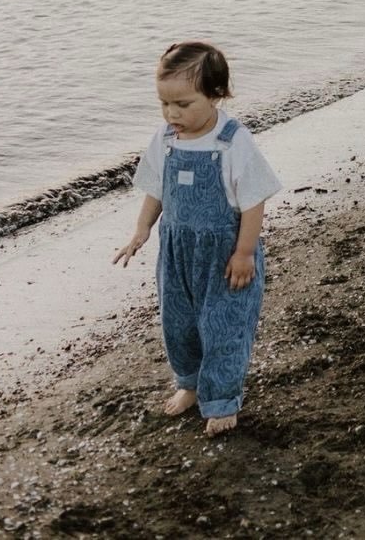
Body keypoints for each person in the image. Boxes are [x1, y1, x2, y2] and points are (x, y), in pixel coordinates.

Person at [113, 41, 282, 435]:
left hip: (225, 252)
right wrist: (142, 230)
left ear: (216, 94)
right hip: (176, 251)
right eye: (164, 104)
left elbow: (253, 201)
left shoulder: (233, 141)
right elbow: (155, 189)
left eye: (184, 104)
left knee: (223, 327)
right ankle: (189, 383)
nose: (173, 113)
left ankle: (221, 399)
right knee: (179, 324)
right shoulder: (166, 139)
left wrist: (244, 253)